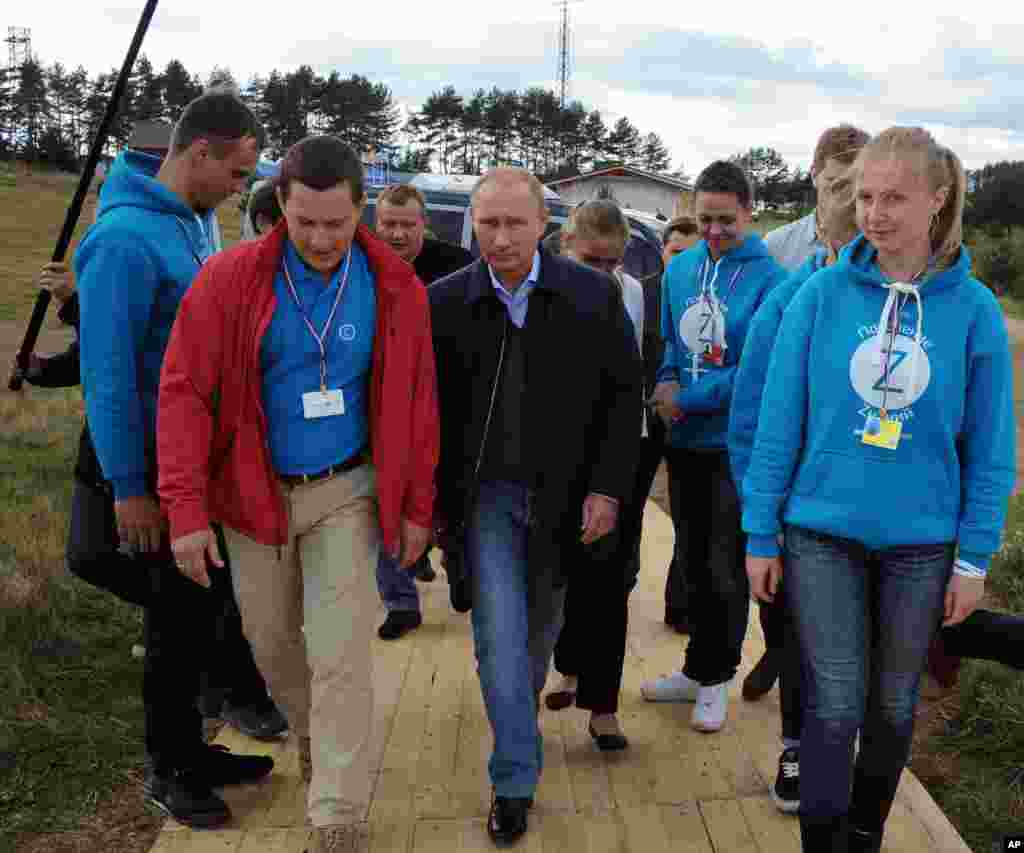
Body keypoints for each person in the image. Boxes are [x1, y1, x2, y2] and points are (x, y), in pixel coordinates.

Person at [157, 135, 439, 853]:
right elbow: (184, 393)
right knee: (275, 646)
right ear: (280, 203)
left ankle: (336, 810)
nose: (320, 239)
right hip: (253, 497)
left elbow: (419, 402)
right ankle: (314, 735)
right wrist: (184, 511)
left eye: (337, 224)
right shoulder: (230, 280)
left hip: (346, 488)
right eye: (305, 221)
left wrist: (415, 508)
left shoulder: (395, 288)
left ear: (360, 212)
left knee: (342, 648)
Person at [742, 127, 1015, 852]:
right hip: (820, 530)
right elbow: (778, 422)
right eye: (865, 195)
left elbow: (991, 451)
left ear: (938, 198)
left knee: (894, 708)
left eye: (894, 196)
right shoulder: (820, 295)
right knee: (833, 706)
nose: (874, 212)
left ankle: (863, 831)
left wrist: (973, 558)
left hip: (922, 544)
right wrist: (760, 533)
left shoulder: (976, 310)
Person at [73, 90, 272, 829]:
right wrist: (130, 485)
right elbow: (110, 375)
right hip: (148, 471)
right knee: (171, 619)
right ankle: (170, 768)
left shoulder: (197, 223)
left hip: (195, 465)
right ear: (199, 154)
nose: (241, 188)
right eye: (238, 172)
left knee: (195, 615)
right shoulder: (125, 240)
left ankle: (194, 745)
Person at [430, 168, 641, 846]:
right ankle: (514, 778)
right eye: (487, 223)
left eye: (514, 223)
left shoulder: (591, 295)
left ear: (542, 225)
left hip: (563, 500)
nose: (499, 237)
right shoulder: (445, 303)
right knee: (498, 639)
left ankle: (514, 732)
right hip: (485, 499)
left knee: (535, 638)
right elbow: (429, 415)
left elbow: (621, 398)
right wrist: (432, 510)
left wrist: (607, 488)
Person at [729, 124, 869, 815]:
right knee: (790, 624)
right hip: (793, 492)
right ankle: (796, 743)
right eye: (839, 185)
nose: (850, 202)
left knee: (838, 645)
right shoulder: (788, 282)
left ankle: (827, 742)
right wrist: (761, 506)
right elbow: (754, 405)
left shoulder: (906, 287)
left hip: (859, 499)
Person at [641, 161, 787, 734]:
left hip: (736, 443)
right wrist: (668, 380)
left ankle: (718, 678)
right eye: (705, 219)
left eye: (727, 220)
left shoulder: (772, 281)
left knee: (726, 566)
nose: (715, 231)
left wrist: (691, 398)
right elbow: (673, 344)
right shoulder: (681, 272)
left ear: (750, 214)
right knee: (693, 559)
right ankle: (695, 668)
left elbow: (756, 370)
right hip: (687, 440)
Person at [542, 200, 645, 751]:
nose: (604, 273)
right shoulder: (537, 292)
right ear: (565, 247)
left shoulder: (631, 295)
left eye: (614, 263)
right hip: (549, 462)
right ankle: (567, 667)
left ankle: (603, 706)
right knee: (556, 580)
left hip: (612, 457)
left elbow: (632, 390)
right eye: (592, 261)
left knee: (609, 584)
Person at [372, 183, 474, 640]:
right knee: (386, 499)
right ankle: (400, 602)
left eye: (405, 225)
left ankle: (456, 562)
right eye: (388, 225)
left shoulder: (456, 265)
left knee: (447, 498)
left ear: (423, 224)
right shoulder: (361, 267)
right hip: (386, 403)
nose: (396, 234)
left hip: (448, 399)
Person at [655, 216, 701, 633]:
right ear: (663, 251)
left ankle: (680, 606)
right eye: (676, 252)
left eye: (692, 253)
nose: (683, 261)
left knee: (687, 523)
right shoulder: (646, 291)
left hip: (687, 420)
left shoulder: (705, 298)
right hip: (644, 422)